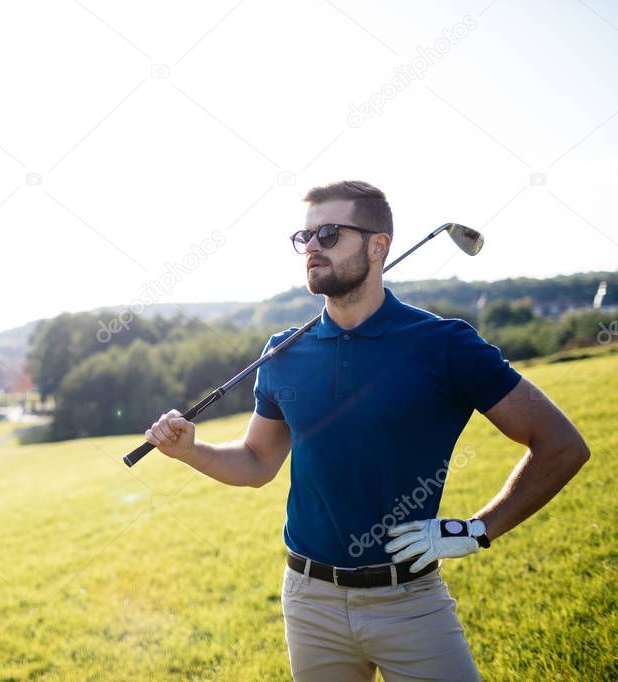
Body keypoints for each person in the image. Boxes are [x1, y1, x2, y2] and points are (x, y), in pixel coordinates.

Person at [143, 180, 590, 681]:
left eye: (329, 234)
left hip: (410, 601)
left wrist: (478, 530)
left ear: (379, 246)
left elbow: (561, 445)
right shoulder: (282, 352)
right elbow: (256, 463)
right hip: (309, 599)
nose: (312, 247)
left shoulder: (446, 344)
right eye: (304, 236)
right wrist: (190, 451)